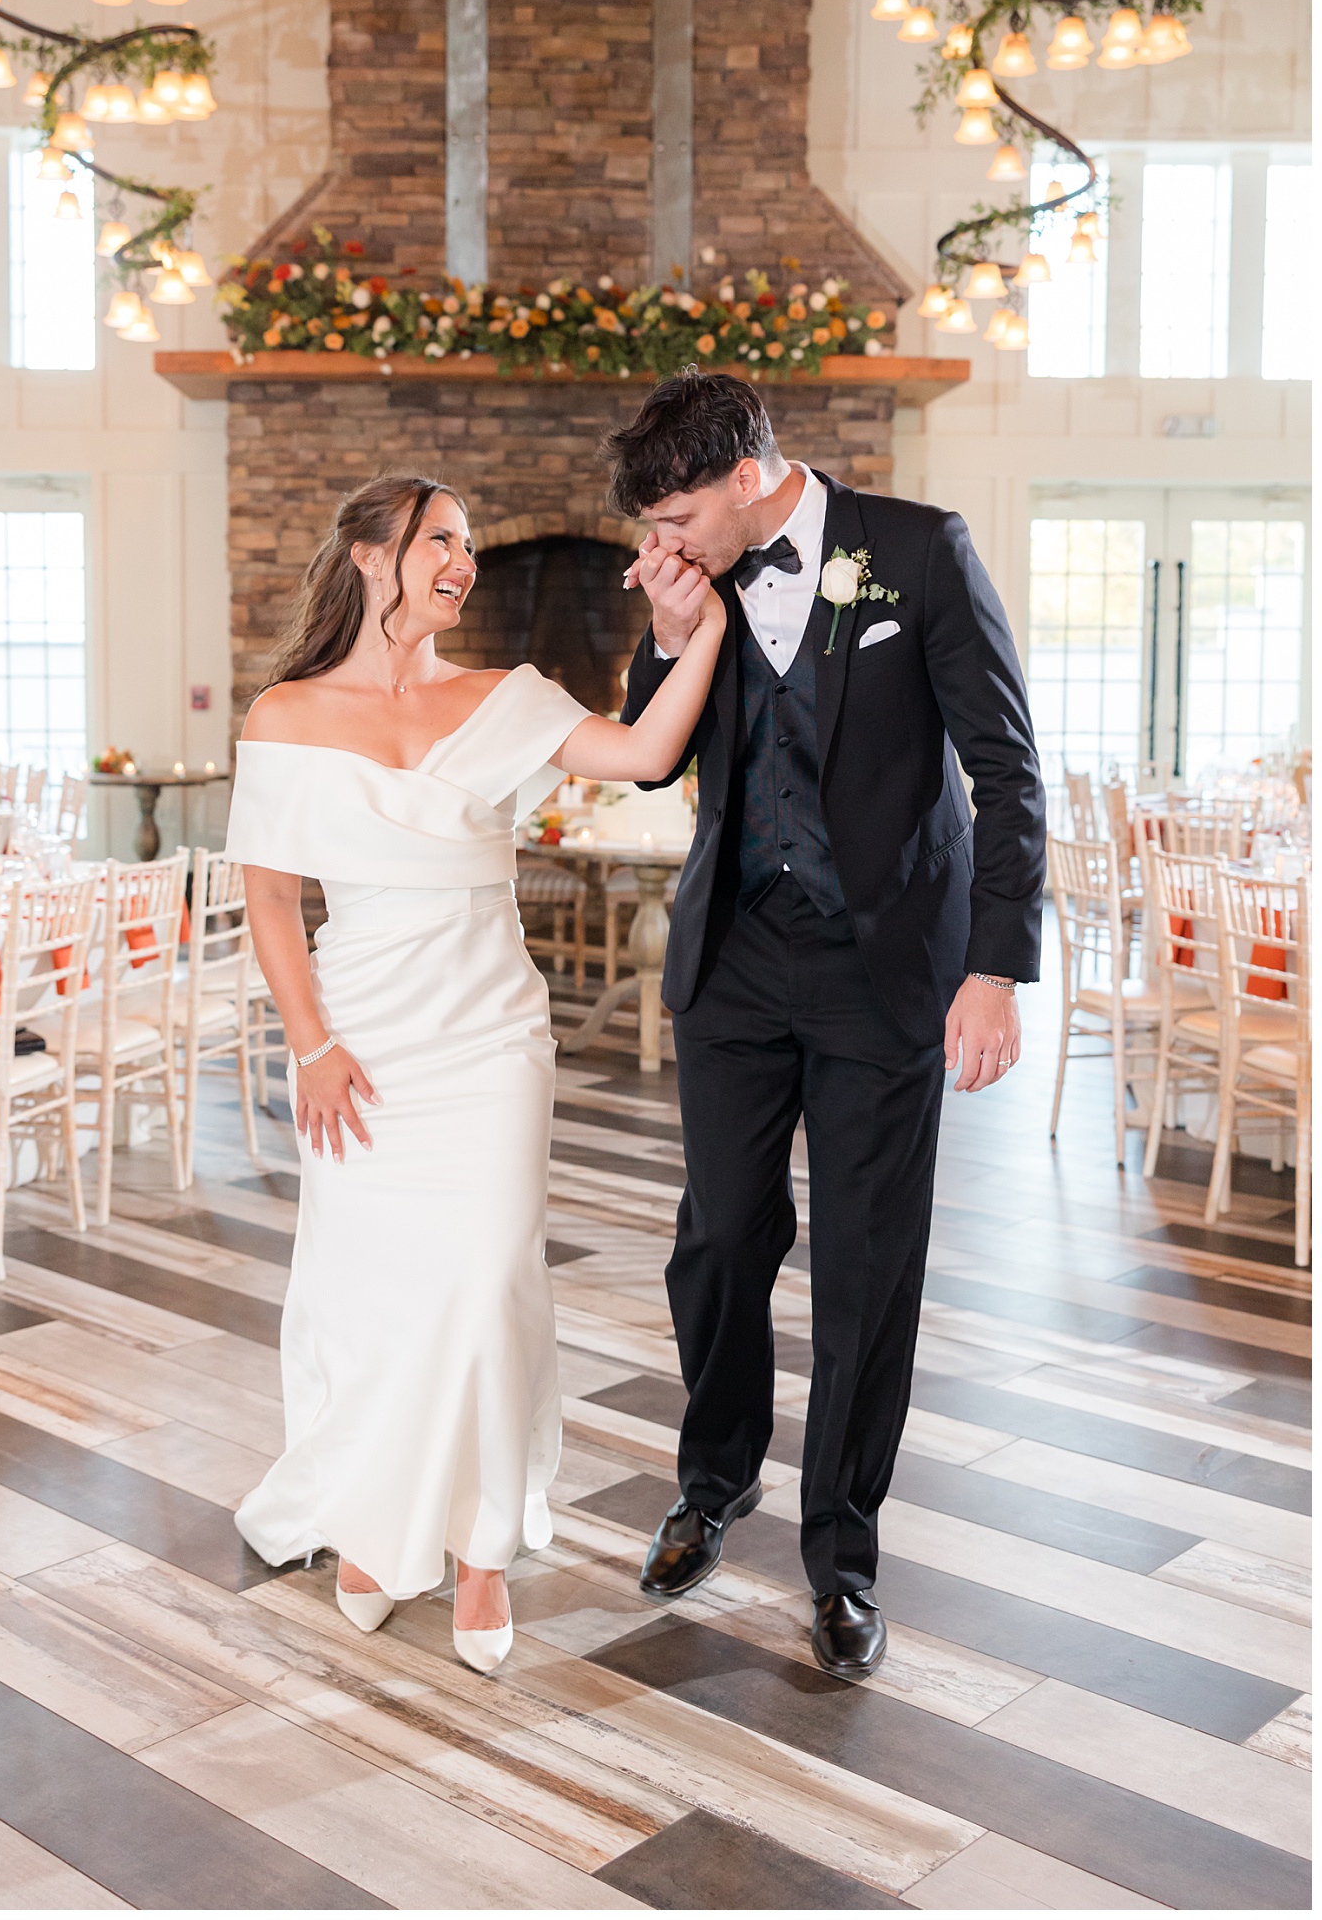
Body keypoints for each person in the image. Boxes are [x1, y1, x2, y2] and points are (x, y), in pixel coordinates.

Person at [225, 471, 725, 1673]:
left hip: (490, 1035)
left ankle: (484, 1543)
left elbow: (651, 750)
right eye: (437, 539)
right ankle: (370, 1514)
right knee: (373, 1279)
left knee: (489, 1277)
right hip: (361, 1034)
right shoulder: (283, 713)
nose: (461, 559)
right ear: (366, 554)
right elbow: (273, 903)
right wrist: (312, 1044)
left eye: (466, 543)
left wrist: (691, 622)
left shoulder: (506, 695)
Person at [605, 369, 1046, 1680]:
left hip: (886, 966)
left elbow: (1008, 766)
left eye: (680, 514)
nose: (662, 544)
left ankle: (843, 1556)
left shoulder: (915, 550)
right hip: (736, 962)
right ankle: (714, 1477)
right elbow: (647, 747)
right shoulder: (695, 578)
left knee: (867, 1269)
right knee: (724, 1238)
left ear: (748, 473)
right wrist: (677, 636)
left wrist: (996, 967)